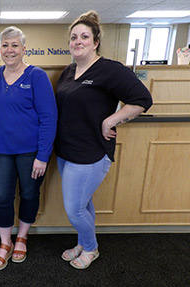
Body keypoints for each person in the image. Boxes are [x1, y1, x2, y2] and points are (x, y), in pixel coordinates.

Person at [55, 11, 153, 269]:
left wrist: (111, 120)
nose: (78, 41)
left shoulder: (110, 69)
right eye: (74, 37)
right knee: (83, 203)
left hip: (91, 153)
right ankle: (82, 241)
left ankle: (91, 248)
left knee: (74, 209)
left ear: (95, 42)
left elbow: (143, 100)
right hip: (66, 152)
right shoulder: (68, 71)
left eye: (84, 37)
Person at [0, 26, 58, 271]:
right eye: (5, 45)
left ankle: (22, 237)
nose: (10, 50)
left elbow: (49, 118)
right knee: (2, 197)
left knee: (29, 194)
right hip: (1, 150)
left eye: (15, 45)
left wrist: (43, 156)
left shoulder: (37, 76)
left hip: (31, 152)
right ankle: (5, 242)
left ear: (24, 49)